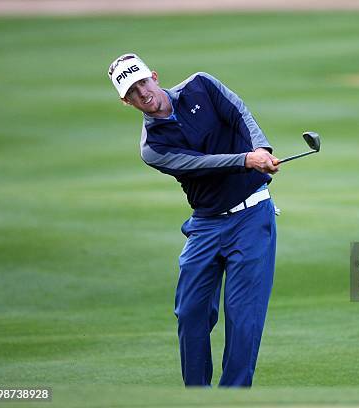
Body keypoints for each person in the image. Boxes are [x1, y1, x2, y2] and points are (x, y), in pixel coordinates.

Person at [107, 53, 279, 387]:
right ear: (125, 102)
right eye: (132, 92)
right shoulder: (152, 147)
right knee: (190, 313)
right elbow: (200, 164)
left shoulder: (202, 85)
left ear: (154, 76)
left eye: (143, 82)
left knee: (244, 318)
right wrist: (247, 159)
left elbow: (241, 113)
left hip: (252, 217)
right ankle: (196, 397)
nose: (143, 93)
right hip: (206, 225)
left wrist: (262, 148)